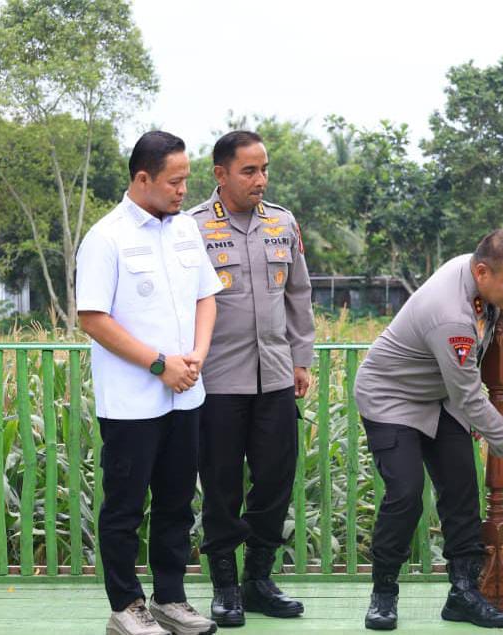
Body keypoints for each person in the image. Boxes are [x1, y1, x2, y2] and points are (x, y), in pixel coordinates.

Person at [354, 228, 503, 631]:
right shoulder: (452, 317)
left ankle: (463, 594)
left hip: (437, 394)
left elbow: (459, 391)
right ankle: (384, 593)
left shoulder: (476, 272)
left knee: (462, 489)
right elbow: (469, 399)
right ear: (482, 272)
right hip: (391, 398)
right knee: (406, 493)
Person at [77, 131, 221, 635]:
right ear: (143, 179)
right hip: (131, 402)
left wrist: (197, 357)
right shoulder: (106, 237)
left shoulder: (185, 231)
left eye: (187, 180)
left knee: (177, 503)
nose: (184, 190)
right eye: (175, 181)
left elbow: (207, 297)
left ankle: (170, 599)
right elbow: (93, 318)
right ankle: (126, 606)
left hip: (186, 394)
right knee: (124, 508)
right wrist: (161, 365)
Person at [187, 130, 315, 627]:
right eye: (249, 171)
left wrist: (301, 359)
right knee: (220, 487)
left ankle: (258, 581)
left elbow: (298, 294)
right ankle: (223, 585)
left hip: (277, 377)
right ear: (220, 175)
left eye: (264, 170)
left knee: (276, 482)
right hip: (218, 380)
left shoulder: (282, 223)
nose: (260, 179)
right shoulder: (193, 228)